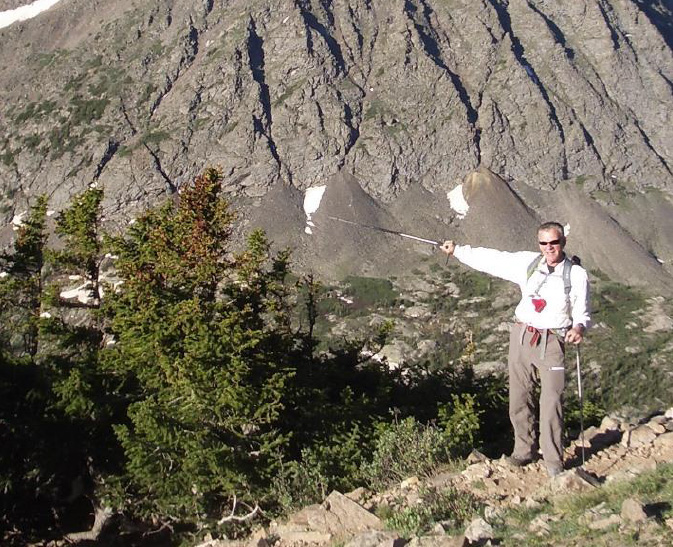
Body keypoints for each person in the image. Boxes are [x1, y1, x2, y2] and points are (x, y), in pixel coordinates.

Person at [440, 222, 590, 477]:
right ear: (538, 244)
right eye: (544, 243)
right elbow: (493, 259)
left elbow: (582, 310)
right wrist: (457, 251)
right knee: (519, 398)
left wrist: (579, 328)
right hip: (522, 336)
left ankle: (554, 462)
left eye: (554, 243)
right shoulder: (529, 264)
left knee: (552, 401)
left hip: (552, 340)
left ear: (563, 242)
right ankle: (524, 451)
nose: (549, 248)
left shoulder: (575, 274)